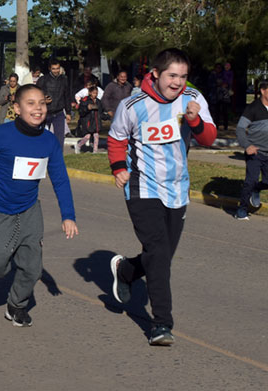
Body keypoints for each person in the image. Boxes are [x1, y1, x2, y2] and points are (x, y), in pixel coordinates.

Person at [107, 48, 217, 346]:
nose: (178, 82)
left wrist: (195, 121)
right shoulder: (132, 105)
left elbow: (209, 138)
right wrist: (118, 168)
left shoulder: (192, 100)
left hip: (177, 187)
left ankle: (126, 269)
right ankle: (161, 324)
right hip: (143, 186)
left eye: (183, 76)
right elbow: (116, 140)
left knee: (162, 256)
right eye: (172, 76)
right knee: (157, 252)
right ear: (155, 74)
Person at [0, 84, 78, 327]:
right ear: (16, 108)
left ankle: (16, 306)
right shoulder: (2, 135)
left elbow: (60, 178)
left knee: (32, 267)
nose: (38, 108)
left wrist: (67, 215)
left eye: (42, 103)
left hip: (29, 209)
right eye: (31, 103)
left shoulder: (49, 141)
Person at [234, 81, 268, 220]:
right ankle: (242, 209)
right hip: (256, 152)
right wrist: (247, 146)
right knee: (250, 181)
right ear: (263, 91)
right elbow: (240, 128)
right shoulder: (253, 108)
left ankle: (257, 189)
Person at [36, 59, 72, 139]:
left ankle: (58, 151)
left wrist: (68, 112)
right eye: (53, 68)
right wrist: (43, 100)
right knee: (40, 137)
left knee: (59, 138)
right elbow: (35, 95)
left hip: (59, 112)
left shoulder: (64, 79)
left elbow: (67, 96)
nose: (56, 71)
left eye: (57, 68)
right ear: (50, 68)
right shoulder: (43, 79)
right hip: (45, 112)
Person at [74, 85, 104, 154]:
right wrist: (88, 108)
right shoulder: (85, 101)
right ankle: (78, 146)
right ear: (90, 93)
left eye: (96, 93)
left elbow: (100, 113)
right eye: (93, 93)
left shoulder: (98, 102)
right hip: (88, 122)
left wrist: (107, 116)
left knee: (96, 136)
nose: (95, 95)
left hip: (96, 123)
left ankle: (95, 151)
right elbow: (81, 112)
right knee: (87, 136)